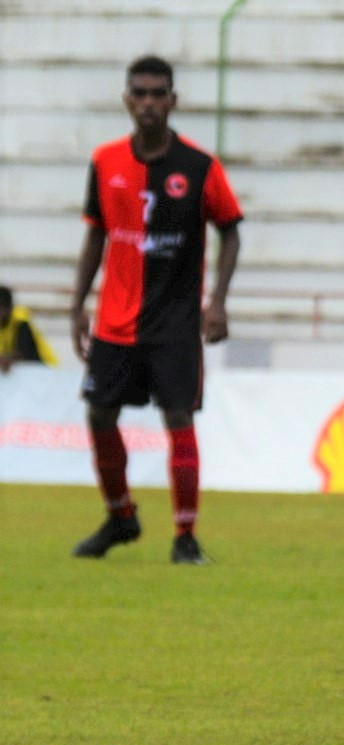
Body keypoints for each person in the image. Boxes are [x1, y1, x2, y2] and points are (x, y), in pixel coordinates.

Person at [69, 55, 243, 565]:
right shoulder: (105, 161)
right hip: (115, 319)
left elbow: (231, 231)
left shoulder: (199, 166)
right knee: (100, 413)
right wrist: (77, 305)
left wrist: (217, 302)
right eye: (140, 93)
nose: (148, 103)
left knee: (178, 416)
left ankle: (185, 536)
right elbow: (96, 234)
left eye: (157, 94)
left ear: (173, 101)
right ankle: (121, 516)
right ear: (127, 100)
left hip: (175, 323)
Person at [0, 285, 59, 372]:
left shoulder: (21, 322)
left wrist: (7, 358)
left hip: (46, 370)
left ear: (9, 309)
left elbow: (24, 352)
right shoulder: (3, 326)